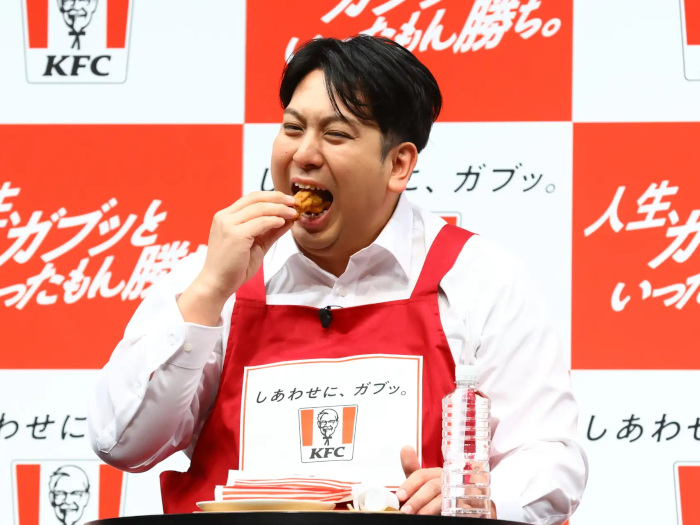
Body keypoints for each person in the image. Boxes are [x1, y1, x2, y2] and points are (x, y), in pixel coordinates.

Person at [88, 35, 588, 522]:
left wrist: (474, 496)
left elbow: (550, 456)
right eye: (292, 128)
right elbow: (122, 443)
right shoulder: (213, 277)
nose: (304, 154)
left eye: (336, 135)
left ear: (398, 164)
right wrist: (207, 293)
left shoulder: (480, 278)